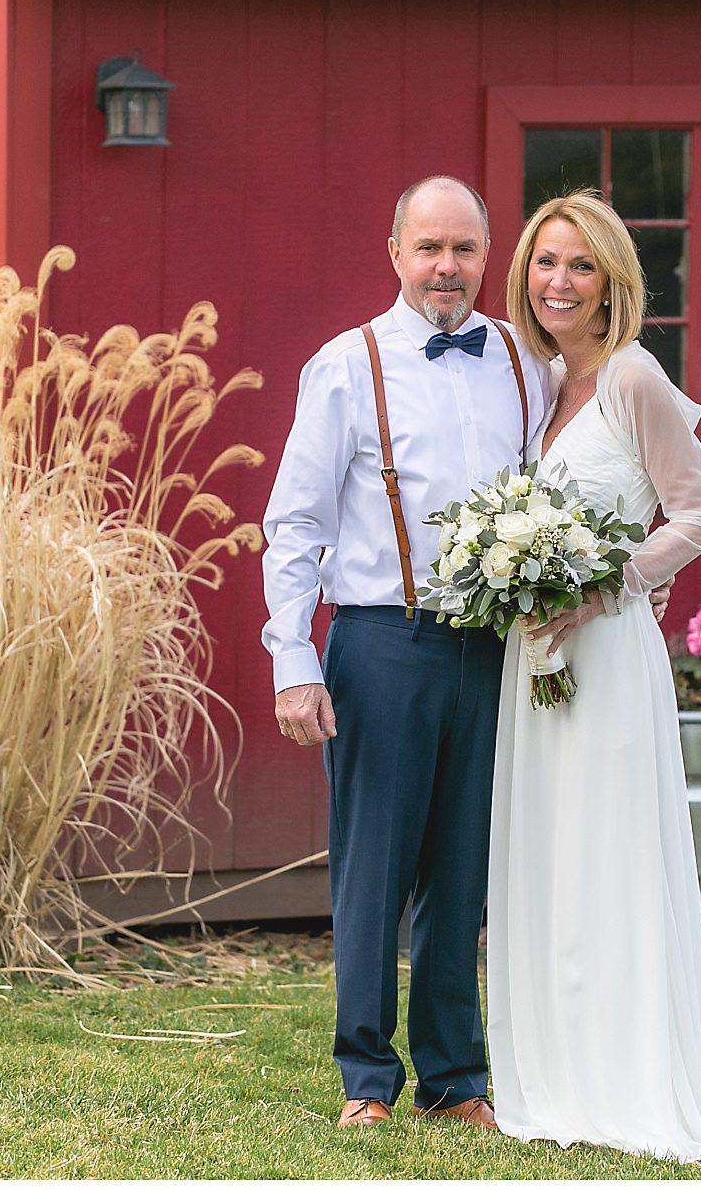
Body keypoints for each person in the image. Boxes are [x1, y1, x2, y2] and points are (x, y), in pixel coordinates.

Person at [486, 190, 701, 1162]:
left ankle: (626, 1074)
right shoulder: (536, 379)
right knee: (549, 854)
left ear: (612, 283)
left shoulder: (632, 376)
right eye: (543, 262)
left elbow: (697, 516)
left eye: (578, 265)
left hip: (604, 653)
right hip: (534, 655)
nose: (557, 281)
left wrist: (604, 584)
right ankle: (558, 1071)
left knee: (606, 852)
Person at [261, 176, 546, 1131]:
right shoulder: (347, 366)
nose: (447, 268)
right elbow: (294, 524)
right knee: (375, 868)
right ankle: (364, 1080)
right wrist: (292, 660)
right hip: (383, 640)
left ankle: (456, 1077)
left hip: (490, 646)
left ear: (485, 255)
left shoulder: (520, 359)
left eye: (465, 249)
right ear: (396, 254)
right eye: (430, 248)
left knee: (463, 868)